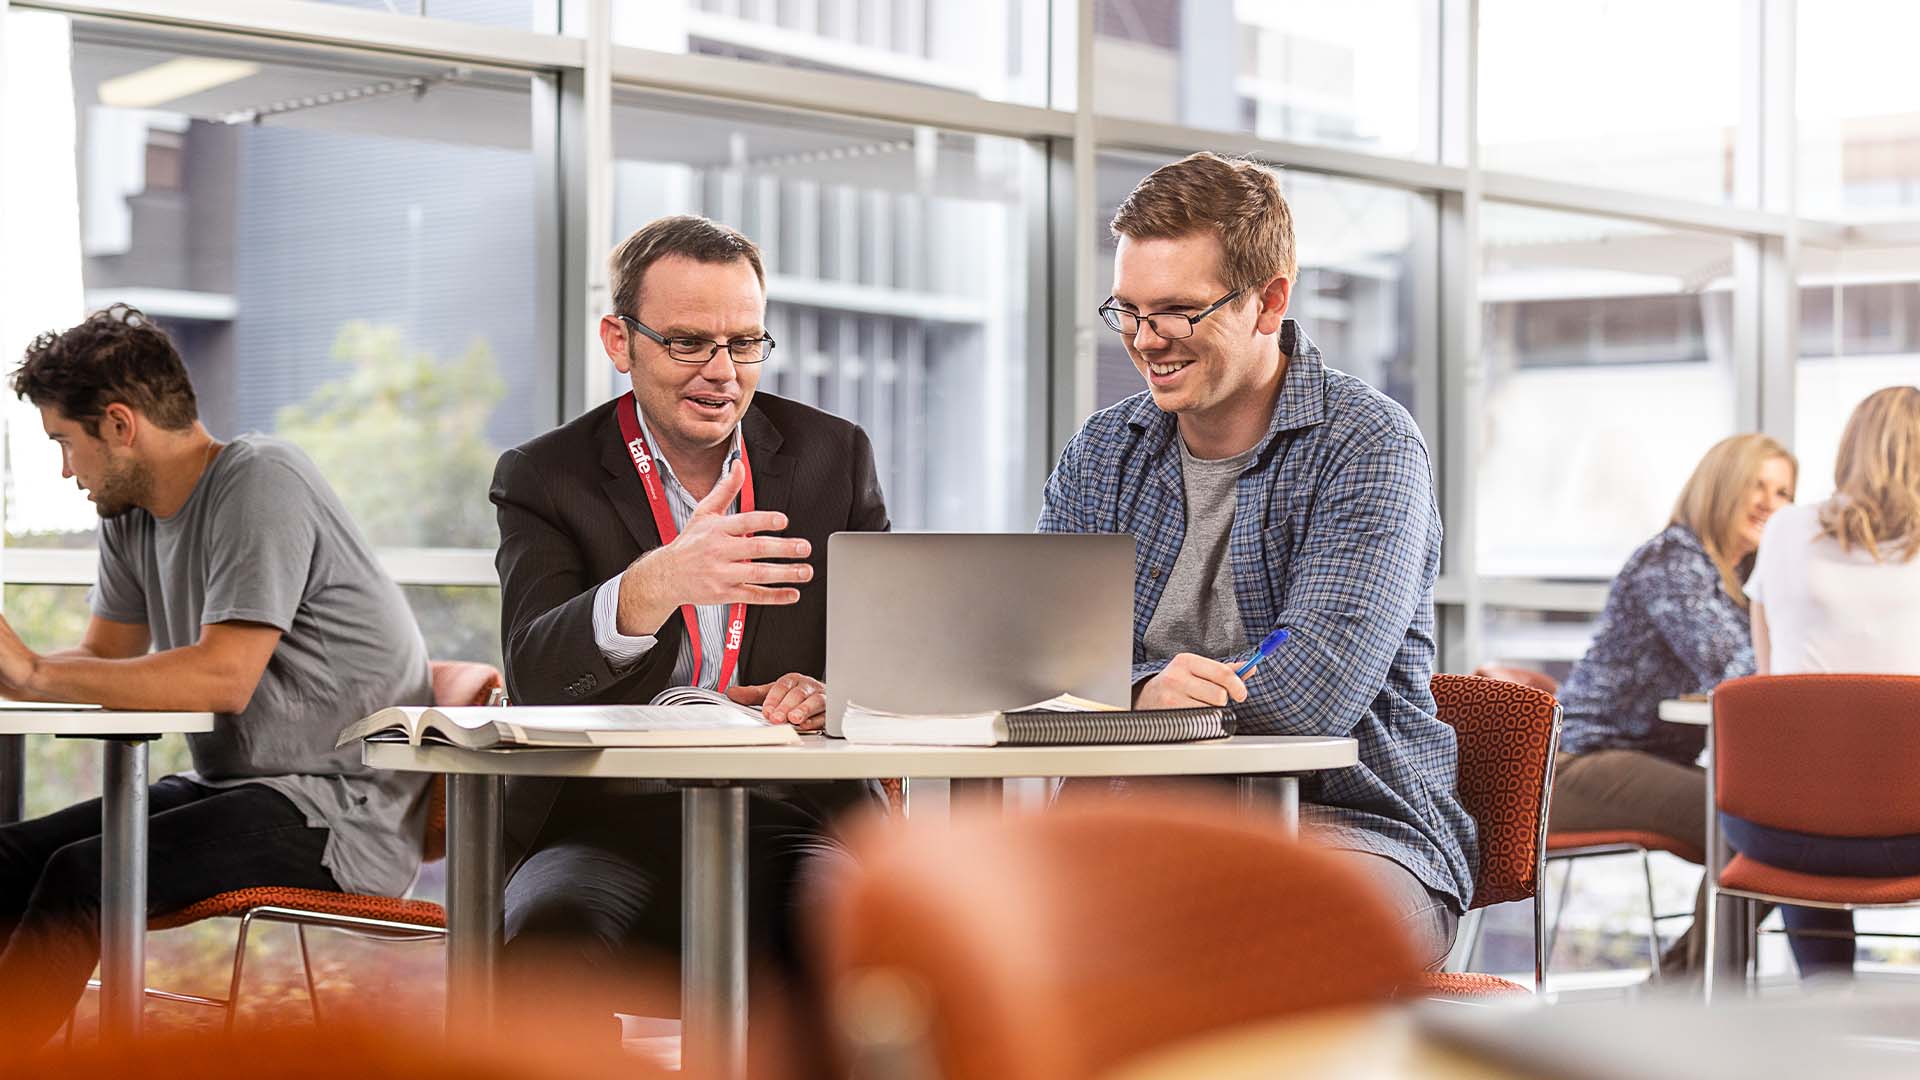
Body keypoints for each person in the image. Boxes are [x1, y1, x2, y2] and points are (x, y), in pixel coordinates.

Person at [1037, 152, 1476, 968]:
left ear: (1270, 299)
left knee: (1227, 941)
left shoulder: (1367, 445)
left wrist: (1130, 700)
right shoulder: (1103, 451)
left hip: (1350, 833)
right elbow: (1034, 665)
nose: (1144, 341)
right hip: (1132, 827)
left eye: (1177, 312)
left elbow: (1312, 695)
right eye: (1126, 311)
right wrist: (1141, 688)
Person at [0, 305, 432, 1046]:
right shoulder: (130, 513)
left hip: (340, 814)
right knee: (7, 858)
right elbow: (104, 659)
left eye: (64, 445)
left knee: (83, 880)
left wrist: (35, 675)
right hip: (237, 789)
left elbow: (223, 677)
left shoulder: (260, 479)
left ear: (119, 424)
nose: (65, 471)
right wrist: (21, 674)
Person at [490, 215, 889, 994]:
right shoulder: (545, 475)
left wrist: (831, 691)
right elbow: (536, 670)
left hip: (792, 812)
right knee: (542, 943)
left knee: (853, 941)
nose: (722, 371)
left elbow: (887, 648)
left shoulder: (832, 456)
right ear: (618, 341)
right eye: (687, 342)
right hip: (606, 815)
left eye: (744, 343)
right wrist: (656, 583)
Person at [1550, 433, 1797, 974]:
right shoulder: (1672, 562)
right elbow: (1739, 670)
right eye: (1755, 484)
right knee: (1766, 833)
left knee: (1779, 826)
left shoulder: (1730, 581)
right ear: (1718, 484)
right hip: (1576, 765)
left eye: (1782, 493)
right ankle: (1685, 999)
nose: (1768, 503)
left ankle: (1683, 992)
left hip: (1640, 763)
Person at [1735, 385, 1920, 978]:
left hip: (1781, 831)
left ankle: (1826, 993)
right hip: (1909, 830)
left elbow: (1771, 680)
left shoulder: (1786, 528)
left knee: (1806, 785)